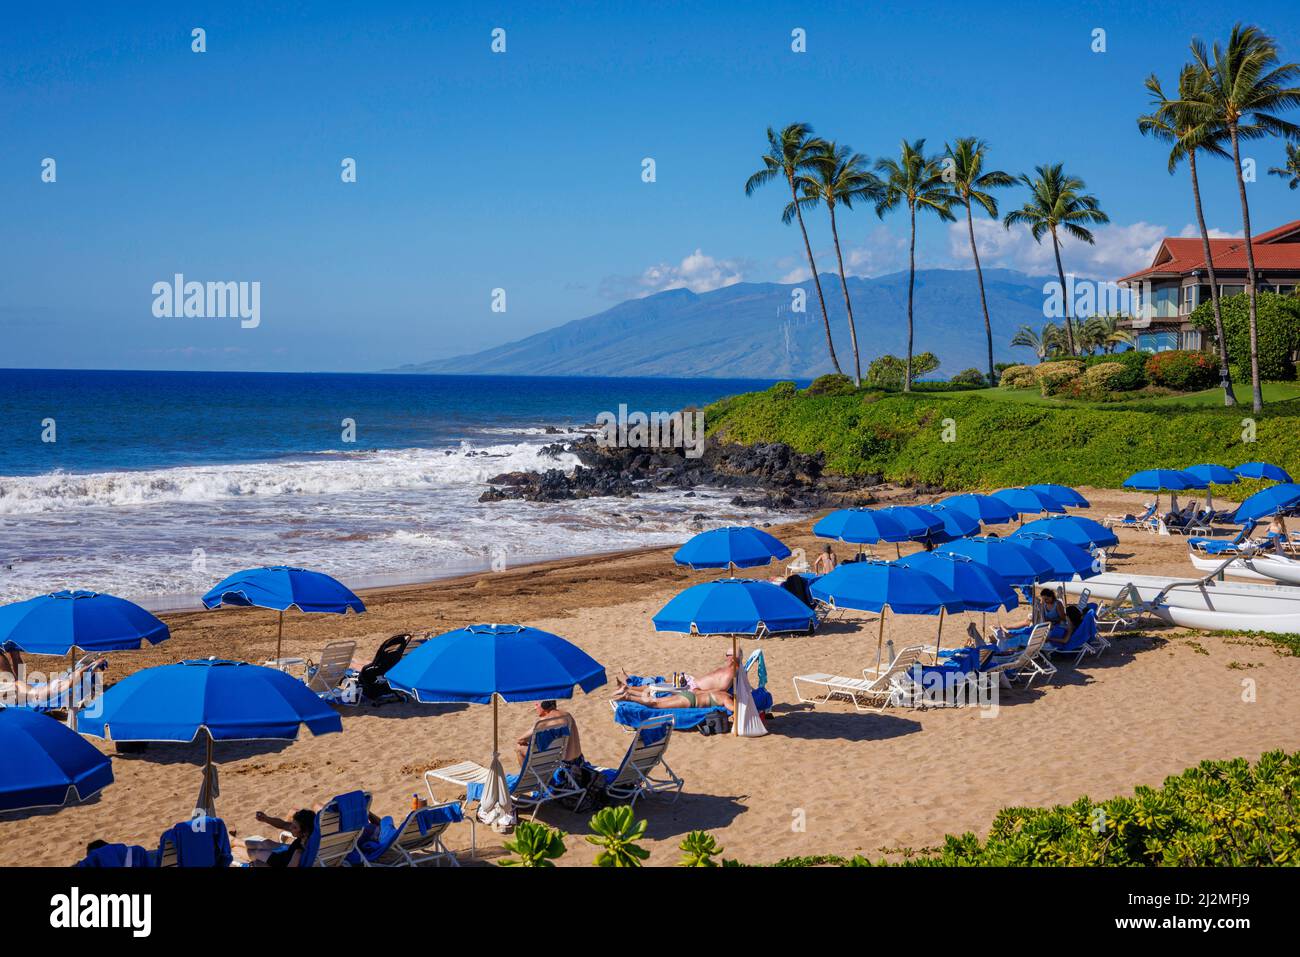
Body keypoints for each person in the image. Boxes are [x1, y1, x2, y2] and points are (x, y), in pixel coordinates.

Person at [0, 643, 107, 708]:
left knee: (63, 684)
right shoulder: (17, 686)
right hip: (21, 690)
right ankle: (85, 668)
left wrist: (91, 666)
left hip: (29, 693)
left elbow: (68, 683)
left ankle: (85, 667)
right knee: (63, 684)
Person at [237, 808, 316, 867]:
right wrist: (266, 818)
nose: (291, 827)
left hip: (282, 862)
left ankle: (233, 846)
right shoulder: (311, 833)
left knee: (255, 853)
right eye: (292, 824)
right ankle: (234, 842)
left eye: (295, 827)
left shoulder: (299, 852)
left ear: (305, 832)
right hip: (287, 854)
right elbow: (283, 824)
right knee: (265, 844)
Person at [516, 699, 583, 768]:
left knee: (519, 747)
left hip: (565, 767)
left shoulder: (546, 721)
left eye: (536, 705)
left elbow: (521, 740)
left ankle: (529, 777)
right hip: (579, 762)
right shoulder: (567, 714)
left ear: (544, 704)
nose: (535, 708)